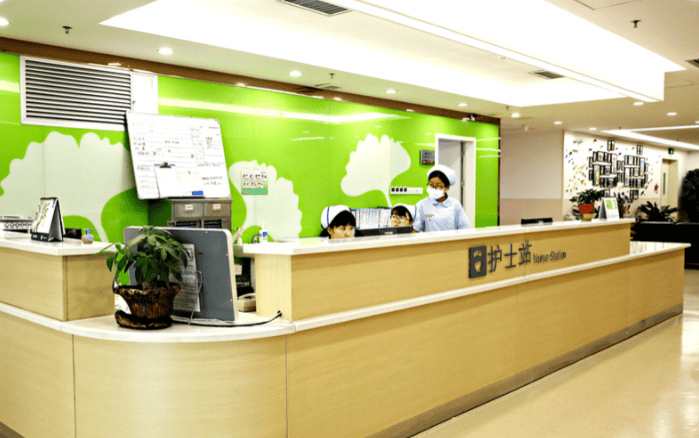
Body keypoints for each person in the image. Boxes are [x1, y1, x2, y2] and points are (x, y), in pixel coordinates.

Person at [413, 164, 471, 232]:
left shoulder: (455, 204)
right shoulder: (422, 204)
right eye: (431, 185)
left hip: (451, 238)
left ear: (447, 187)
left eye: (438, 186)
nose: (433, 188)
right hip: (430, 239)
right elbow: (415, 229)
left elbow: (465, 228)